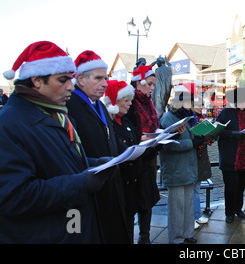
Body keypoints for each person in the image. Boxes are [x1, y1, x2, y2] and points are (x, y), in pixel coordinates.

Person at [0, 41, 110, 243]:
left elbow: (59, 164)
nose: (71, 86)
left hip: (72, 227)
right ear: (37, 81)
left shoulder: (57, 115)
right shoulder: (9, 124)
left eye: (71, 79)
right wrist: (81, 183)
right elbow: (13, 197)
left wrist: (94, 164)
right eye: (62, 80)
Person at [67, 50, 131, 243]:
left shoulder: (99, 105)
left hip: (110, 181)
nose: (105, 83)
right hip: (91, 187)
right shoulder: (72, 105)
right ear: (81, 79)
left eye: (105, 78)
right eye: (98, 78)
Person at [103, 80, 155, 242]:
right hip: (123, 181)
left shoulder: (127, 121)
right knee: (125, 224)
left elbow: (135, 143)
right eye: (126, 100)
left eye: (130, 100)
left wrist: (152, 142)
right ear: (113, 102)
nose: (130, 104)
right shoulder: (108, 125)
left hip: (136, 178)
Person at [125, 64, 161, 244]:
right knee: (133, 200)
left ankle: (145, 236)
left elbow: (155, 126)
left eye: (153, 84)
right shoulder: (129, 102)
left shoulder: (150, 104)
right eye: (149, 84)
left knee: (147, 199)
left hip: (150, 158)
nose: (152, 88)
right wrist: (141, 138)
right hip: (134, 161)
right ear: (138, 84)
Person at [158, 83, 198, 244]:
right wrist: (192, 143)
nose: (190, 105)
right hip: (175, 169)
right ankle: (176, 238)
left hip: (188, 167)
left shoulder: (188, 118)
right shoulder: (168, 119)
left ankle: (188, 233)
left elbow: (192, 138)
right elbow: (167, 146)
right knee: (177, 207)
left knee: (188, 204)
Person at [216, 86, 245, 223]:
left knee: (241, 185)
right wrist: (234, 134)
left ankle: (238, 209)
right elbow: (218, 131)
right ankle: (229, 212)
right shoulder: (225, 113)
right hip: (230, 156)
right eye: (240, 101)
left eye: (244, 101)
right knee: (230, 186)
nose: (242, 104)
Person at [192, 96, 212, 227]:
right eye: (198, 105)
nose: (201, 107)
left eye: (202, 105)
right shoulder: (192, 119)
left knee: (196, 188)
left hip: (200, 158)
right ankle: (194, 216)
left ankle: (196, 215)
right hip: (193, 158)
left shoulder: (202, 120)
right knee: (193, 189)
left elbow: (207, 140)